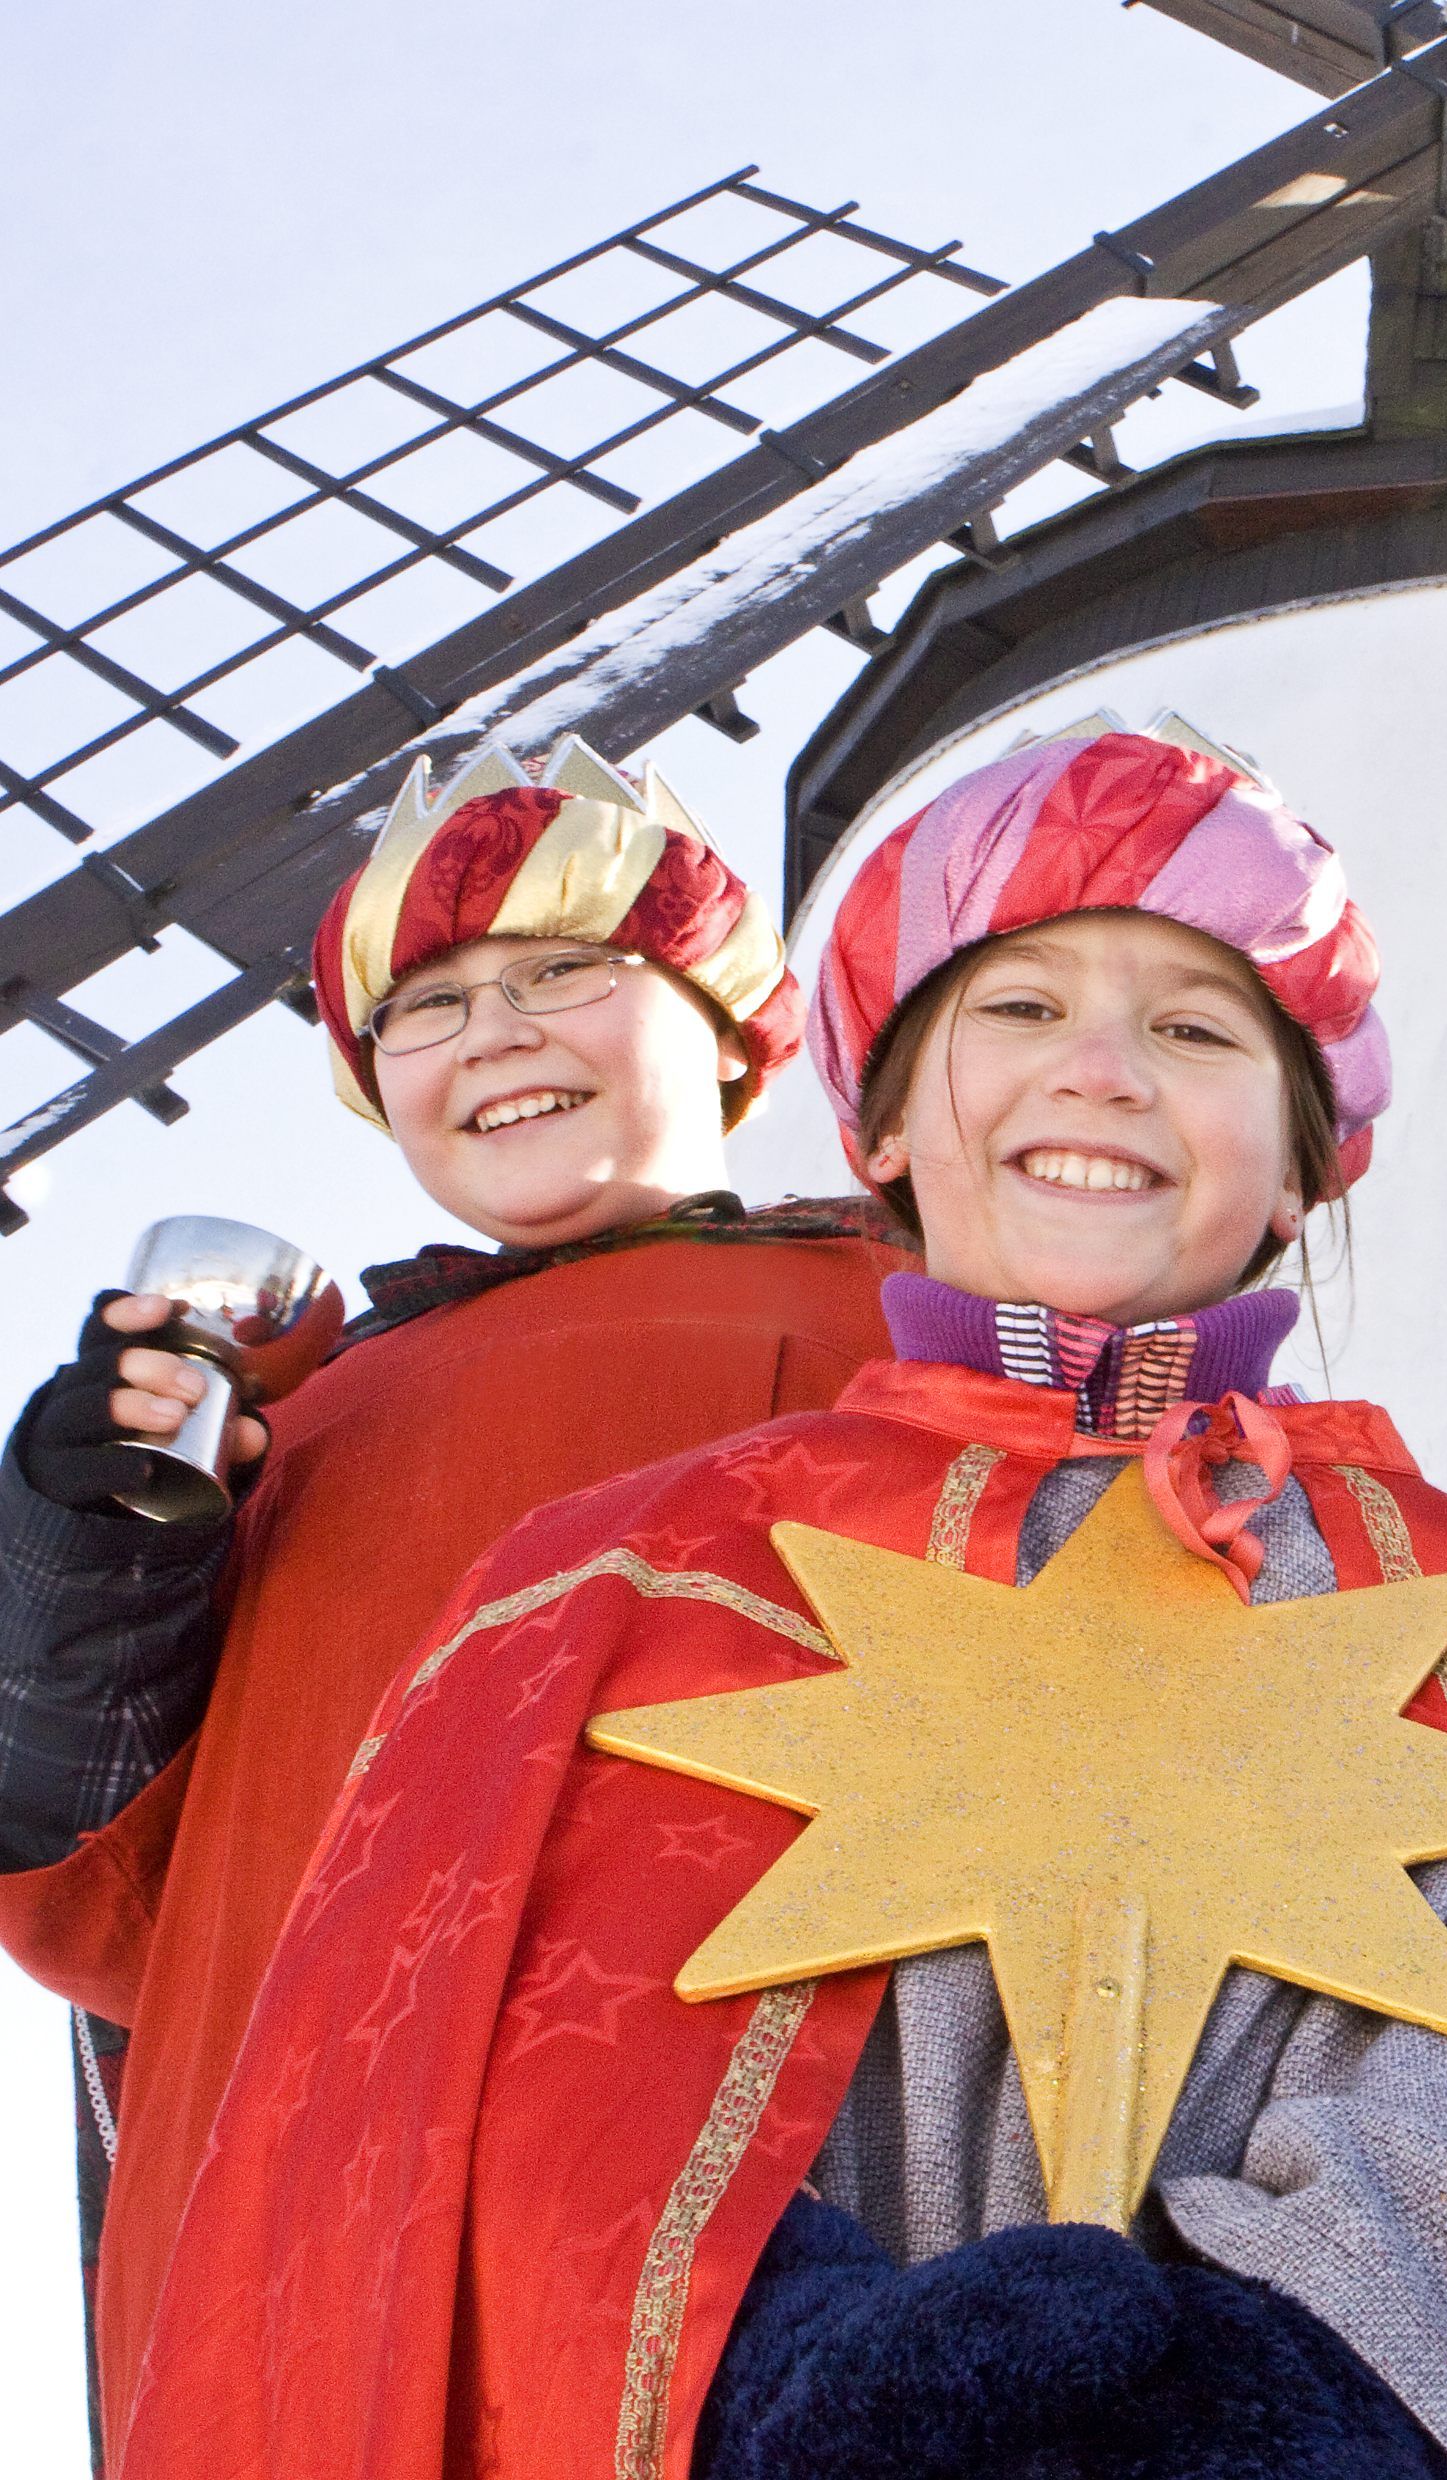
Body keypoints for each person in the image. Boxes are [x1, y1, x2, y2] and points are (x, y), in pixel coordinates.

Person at [124, 726, 1447, 2480]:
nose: (1101, 1071)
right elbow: (504, 2084)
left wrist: (1264, 2421)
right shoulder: (619, 1577)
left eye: (1195, 1029)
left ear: (1301, 1166)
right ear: (880, 1122)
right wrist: (796, 2382)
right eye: (1019, 1010)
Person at [0, 737, 906, 2457]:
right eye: (427, 1006)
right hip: (314, 2187)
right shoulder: (296, 1413)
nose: (492, 1029)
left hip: (770, 2155)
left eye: (565, 970)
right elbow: (99, 1888)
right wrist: (87, 1548)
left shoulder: (916, 1305)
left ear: (721, 1029)